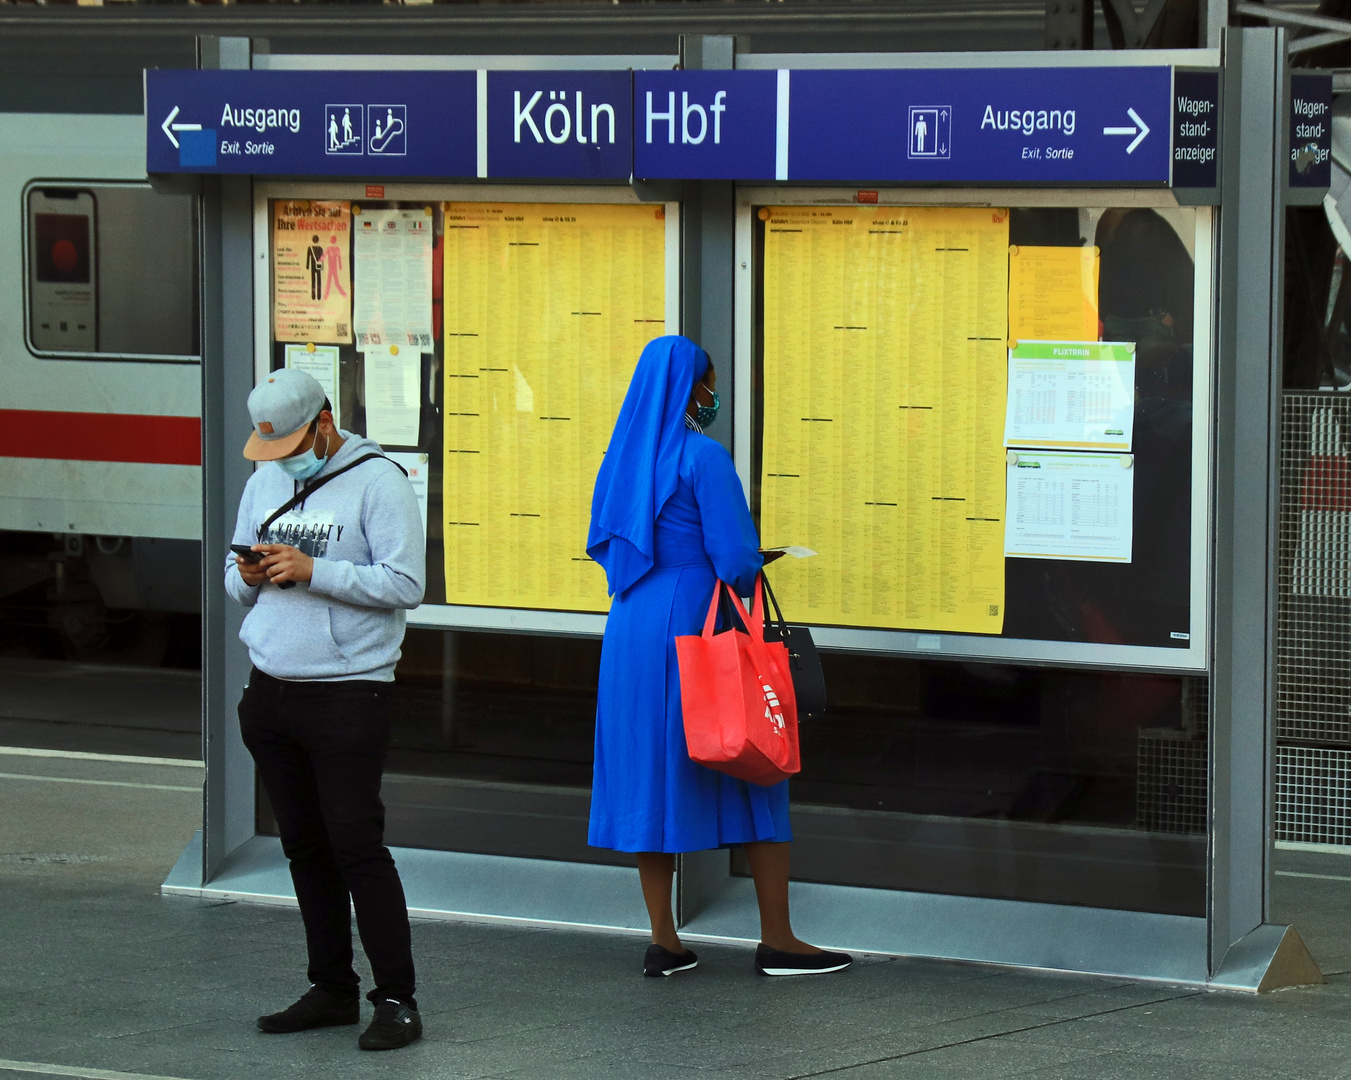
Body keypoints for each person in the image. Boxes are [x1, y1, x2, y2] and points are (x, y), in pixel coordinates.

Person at [586, 335, 851, 978]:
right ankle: (779, 940)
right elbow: (733, 559)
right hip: (699, 633)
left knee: (652, 776)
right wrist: (762, 557)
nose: (710, 398)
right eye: (707, 385)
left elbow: (609, 547)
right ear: (687, 389)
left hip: (631, 635)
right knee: (758, 761)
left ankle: (664, 941)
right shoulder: (703, 456)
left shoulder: (620, 460)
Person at [225, 367, 426, 1051]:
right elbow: (232, 578)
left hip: (349, 691)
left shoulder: (379, 481)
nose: (284, 462)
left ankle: (396, 998)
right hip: (271, 690)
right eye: (273, 450)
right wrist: (248, 575)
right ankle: (332, 986)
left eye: (293, 445)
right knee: (304, 847)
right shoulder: (265, 479)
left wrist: (315, 571)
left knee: (356, 847)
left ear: (326, 422)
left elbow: (405, 582)